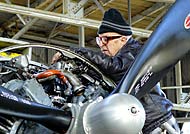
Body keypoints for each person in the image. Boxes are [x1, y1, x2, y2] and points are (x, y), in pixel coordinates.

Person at [52, 8, 180, 134]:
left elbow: (117, 67)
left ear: (123, 39)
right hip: (138, 124)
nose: (101, 44)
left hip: (157, 123)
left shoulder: (137, 52)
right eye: (99, 40)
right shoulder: (121, 58)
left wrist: (77, 52)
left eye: (106, 39)